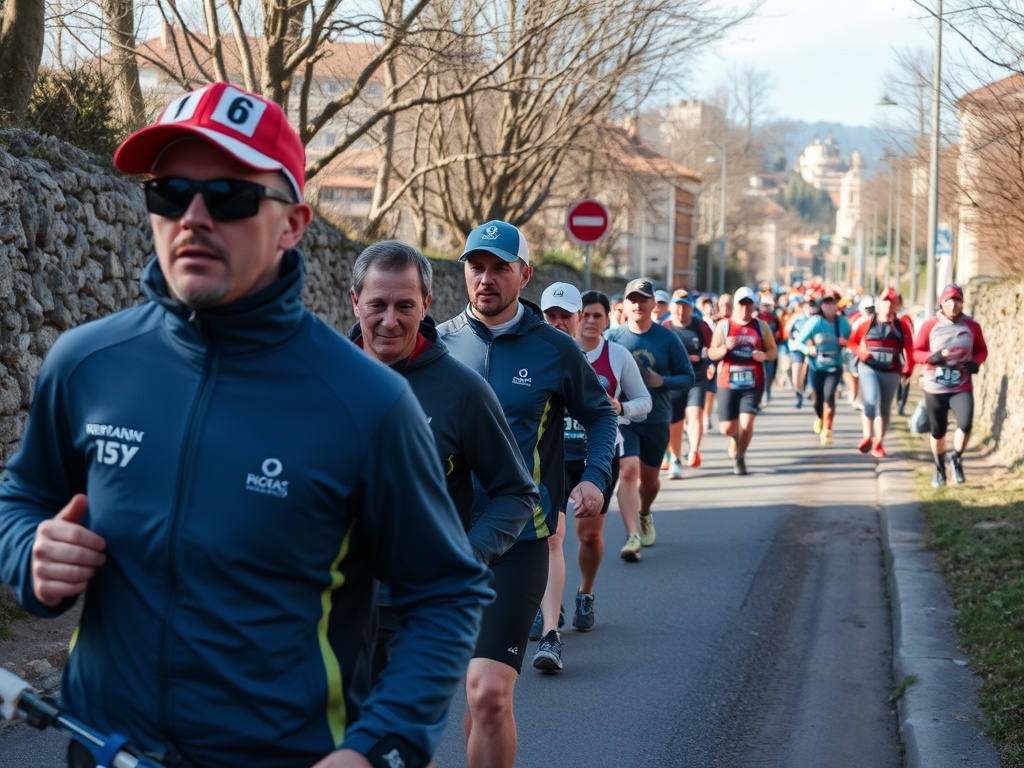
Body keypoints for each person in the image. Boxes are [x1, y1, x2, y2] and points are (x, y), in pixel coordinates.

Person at [0, 82, 491, 768]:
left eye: (229, 195)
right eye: (169, 193)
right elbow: (23, 497)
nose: (193, 218)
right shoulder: (85, 362)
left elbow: (444, 591)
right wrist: (30, 553)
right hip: (104, 749)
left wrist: (381, 745)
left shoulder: (368, 402)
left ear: (292, 224)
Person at [436, 221, 617, 763]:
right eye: (476, 267)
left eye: (500, 268)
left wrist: (594, 477)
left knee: (490, 695)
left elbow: (601, 415)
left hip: (519, 540)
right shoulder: (437, 345)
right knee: (468, 698)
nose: (486, 279)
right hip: (442, 541)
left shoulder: (554, 349)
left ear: (525, 275)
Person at [347, 241, 538, 679]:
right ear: (355, 302)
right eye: (376, 304)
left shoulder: (461, 390)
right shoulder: (320, 378)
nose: (390, 320)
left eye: (405, 305)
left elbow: (516, 492)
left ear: (426, 304)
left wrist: (465, 557)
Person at [529, 284, 651, 667]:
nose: (559, 323)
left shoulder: (616, 357)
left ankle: (585, 592)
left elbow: (643, 402)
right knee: (552, 536)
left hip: (596, 458)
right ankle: (550, 617)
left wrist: (619, 408)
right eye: (551, 316)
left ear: (582, 318)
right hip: (554, 458)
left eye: (568, 315)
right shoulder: (538, 353)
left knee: (589, 535)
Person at [607, 278, 695, 560]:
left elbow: (688, 377)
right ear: (625, 304)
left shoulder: (667, 338)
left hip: (656, 417)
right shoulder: (613, 338)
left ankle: (645, 513)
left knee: (650, 481)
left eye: (643, 299)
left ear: (653, 304)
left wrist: (662, 381)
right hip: (625, 419)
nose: (638, 305)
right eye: (632, 299)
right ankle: (632, 536)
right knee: (627, 472)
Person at [912, 284, 988, 486]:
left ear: (962, 303)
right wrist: (932, 357)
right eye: (948, 300)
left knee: (965, 424)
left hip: (961, 385)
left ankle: (956, 458)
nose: (953, 305)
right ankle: (939, 469)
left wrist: (975, 363)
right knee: (938, 431)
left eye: (957, 300)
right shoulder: (930, 325)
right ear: (941, 303)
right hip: (935, 387)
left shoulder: (972, 326)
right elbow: (916, 352)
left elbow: (982, 350)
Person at [708, 286, 778, 475]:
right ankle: (735, 439)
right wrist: (724, 348)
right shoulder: (724, 326)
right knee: (727, 428)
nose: (745, 309)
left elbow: (773, 352)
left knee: (746, 425)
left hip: (753, 383)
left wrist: (764, 355)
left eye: (749, 304)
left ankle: (740, 457)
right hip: (727, 382)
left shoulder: (761, 326)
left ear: (753, 305)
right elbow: (712, 352)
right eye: (742, 304)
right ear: (735, 305)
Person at [848, 287, 914, 458]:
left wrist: (908, 369)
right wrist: (862, 353)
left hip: (891, 370)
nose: (887, 305)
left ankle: (878, 442)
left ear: (897, 305)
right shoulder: (866, 323)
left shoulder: (902, 326)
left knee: (884, 408)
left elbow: (910, 350)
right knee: (871, 399)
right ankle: (867, 436)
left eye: (891, 301)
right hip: (869, 367)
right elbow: (852, 343)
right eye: (884, 301)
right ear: (878, 303)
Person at [662, 289, 713, 475]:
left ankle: (693, 451)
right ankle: (674, 457)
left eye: (685, 307)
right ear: (672, 308)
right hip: (674, 379)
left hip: (696, 377)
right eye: (677, 306)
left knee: (695, 412)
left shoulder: (701, 326)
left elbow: (712, 348)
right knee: (674, 421)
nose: (681, 311)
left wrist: (709, 363)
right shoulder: (665, 327)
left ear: (691, 308)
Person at [795, 291, 850, 446]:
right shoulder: (815, 322)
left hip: (834, 366)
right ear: (821, 306)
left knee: (829, 397)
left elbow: (852, 340)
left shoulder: (842, 323)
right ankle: (820, 417)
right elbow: (798, 342)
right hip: (816, 366)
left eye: (832, 303)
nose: (829, 306)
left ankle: (827, 429)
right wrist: (808, 349)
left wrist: (845, 343)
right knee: (817, 398)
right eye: (826, 303)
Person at [783, 296, 813, 408]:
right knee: (796, 371)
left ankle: (806, 389)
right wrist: (793, 340)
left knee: (805, 371)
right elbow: (787, 330)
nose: (809, 309)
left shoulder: (814, 319)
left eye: (811, 306)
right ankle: (798, 394)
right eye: (807, 306)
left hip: (809, 349)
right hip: (796, 348)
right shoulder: (797, 318)